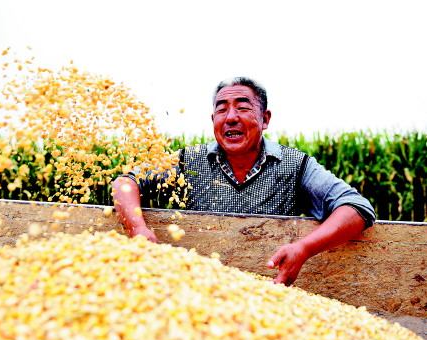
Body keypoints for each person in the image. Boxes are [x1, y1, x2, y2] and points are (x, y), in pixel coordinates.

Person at [112, 77, 376, 286]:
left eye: (243, 107)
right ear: (213, 120)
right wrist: (138, 229)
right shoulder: (187, 160)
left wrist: (304, 247)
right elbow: (126, 182)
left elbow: (357, 208)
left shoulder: (295, 165)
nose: (231, 118)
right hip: (192, 292)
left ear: (265, 119)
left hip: (268, 293)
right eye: (222, 110)